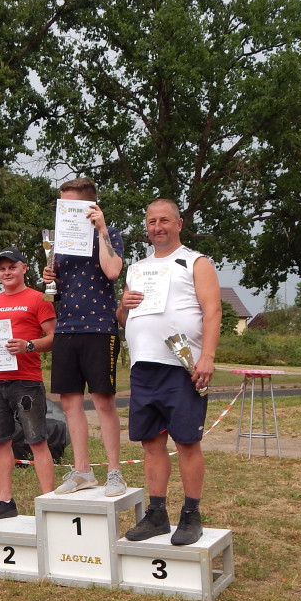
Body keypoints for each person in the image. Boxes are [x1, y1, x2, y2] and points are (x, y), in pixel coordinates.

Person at [117, 199, 221, 546]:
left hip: (182, 366)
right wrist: (123, 306)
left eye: (164, 220)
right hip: (144, 366)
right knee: (151, 443)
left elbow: (213, 310)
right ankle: (157, 513)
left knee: (188, 442)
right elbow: (123, 319)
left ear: (178, 224)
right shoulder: (137, 268)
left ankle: (191, 515)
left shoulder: (196, 262)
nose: (157, 227)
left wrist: (206, 356)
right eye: (151, 222)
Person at [41, 177, 127, 496]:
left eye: (71, 205)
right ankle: (82, 471)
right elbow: (62, 290)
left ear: (89, 206)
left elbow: (113, 271)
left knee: (103, 400)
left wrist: (102, 229)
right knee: (69, 401)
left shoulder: (110, 235)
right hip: (66, 327)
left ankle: (115, 472)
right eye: (61, 205)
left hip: (99, 325)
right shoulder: (63, 242)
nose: (65, 211)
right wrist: (52, 278)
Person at [0, 247, 57, 520]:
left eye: (12, 267)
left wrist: (28, 345)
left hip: (27, 382)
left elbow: (55, 337)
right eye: (2, 268)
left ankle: (48, 502)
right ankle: (5, 501)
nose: (7, 272)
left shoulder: (39, 299)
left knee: (37, 440)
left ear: (24, 268)